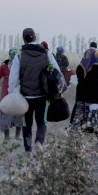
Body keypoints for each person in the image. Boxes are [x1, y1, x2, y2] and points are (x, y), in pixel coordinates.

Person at [8, 28, 61, 157]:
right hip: (42, 95)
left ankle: (28, 150)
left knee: (27, 123)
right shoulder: (46, 53)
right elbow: (57, 72)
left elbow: (13, 77)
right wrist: (58, 90)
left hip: (25, 96)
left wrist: (11, 93)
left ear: (24, 39)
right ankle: (39, 142)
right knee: (42, 121)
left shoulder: (20, 56)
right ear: (35, 37)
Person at [0, 48, 22, 141]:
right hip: (15, 91)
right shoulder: (19, 65)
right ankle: (16, 136)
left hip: (8, 92)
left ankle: (8, 137)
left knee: (6, 112)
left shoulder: (6, 66)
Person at [69, 48, 98, 134]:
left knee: (78, 116)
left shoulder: (80, 67)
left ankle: (74, 134)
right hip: (93, 97)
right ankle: (97, 136)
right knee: (95, 116)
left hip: (81, 96)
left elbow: (79, 80)